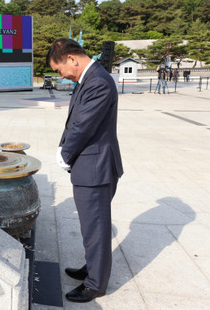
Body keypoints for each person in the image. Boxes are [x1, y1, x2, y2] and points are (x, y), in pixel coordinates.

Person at [46, 38, 124, 303]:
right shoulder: (87, 79)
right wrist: (62, 146)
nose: (61, 75)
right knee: (90, 225)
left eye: (59, 69)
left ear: (72, 59)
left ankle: (95, 284)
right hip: (89, 164)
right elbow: (75, 122)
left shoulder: (98, 82)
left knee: (96, 227)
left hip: (96, 167)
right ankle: (92, 267)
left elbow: (84, 126)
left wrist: (65, 154)